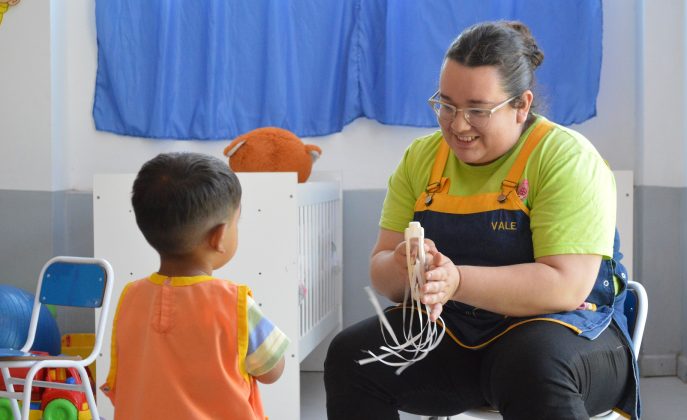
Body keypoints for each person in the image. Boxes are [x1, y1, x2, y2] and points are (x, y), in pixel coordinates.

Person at [325, 21, 638, 420]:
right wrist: (406, 269)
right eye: (447, 105)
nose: (457, 125)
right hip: (458, 332)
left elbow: (564, 285)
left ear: (521, 106)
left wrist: (455, 281)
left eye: (477, 110)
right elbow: (381, 271)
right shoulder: (422, 159)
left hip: (569, 333)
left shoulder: (565, 158)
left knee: (531, 364)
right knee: (353, 357)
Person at [100, 152, 289, 419]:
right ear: (219, 237)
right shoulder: (234, 304)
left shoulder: (130, 298)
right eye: (237, 222)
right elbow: (272, 370)